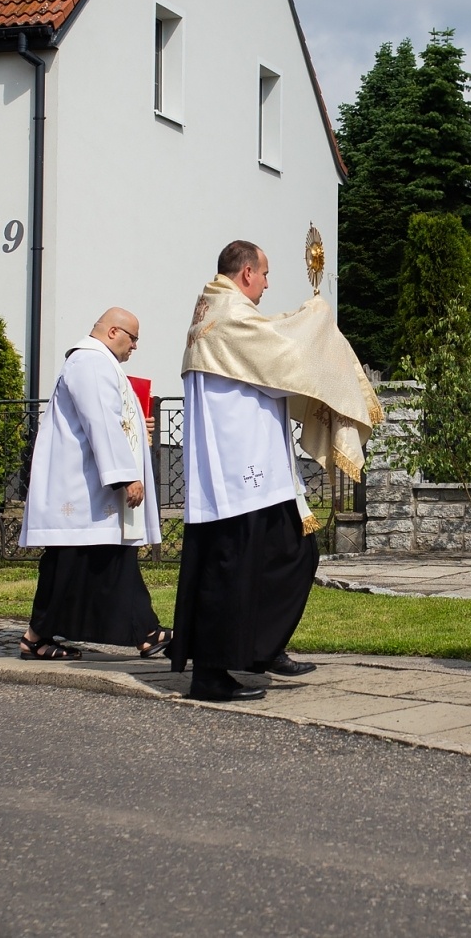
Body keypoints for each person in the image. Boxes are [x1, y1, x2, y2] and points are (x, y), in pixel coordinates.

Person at [172, 240, 381, 702]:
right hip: (239, 474)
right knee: (234, 568)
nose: (267, 285)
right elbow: (286, 350)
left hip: (253, 469)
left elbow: (272, 352)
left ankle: (261, 648)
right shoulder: (227, 314)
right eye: (265, 275)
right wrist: (316, 316)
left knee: (291, 554)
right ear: (246, 273)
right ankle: (211, 674)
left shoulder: (220, 312)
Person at [17, 308, 170, 660]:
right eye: (133, 338)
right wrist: (125, 476)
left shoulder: (97, 363)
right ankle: (37, 637)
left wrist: (137, 429)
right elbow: (99, 421)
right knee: (73, 563)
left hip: (90, 488)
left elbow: (112, 419)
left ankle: (143, 631)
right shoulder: (91, 362)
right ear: (114, 331)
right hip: (82, 487)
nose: (135, 347)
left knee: (101, 561)